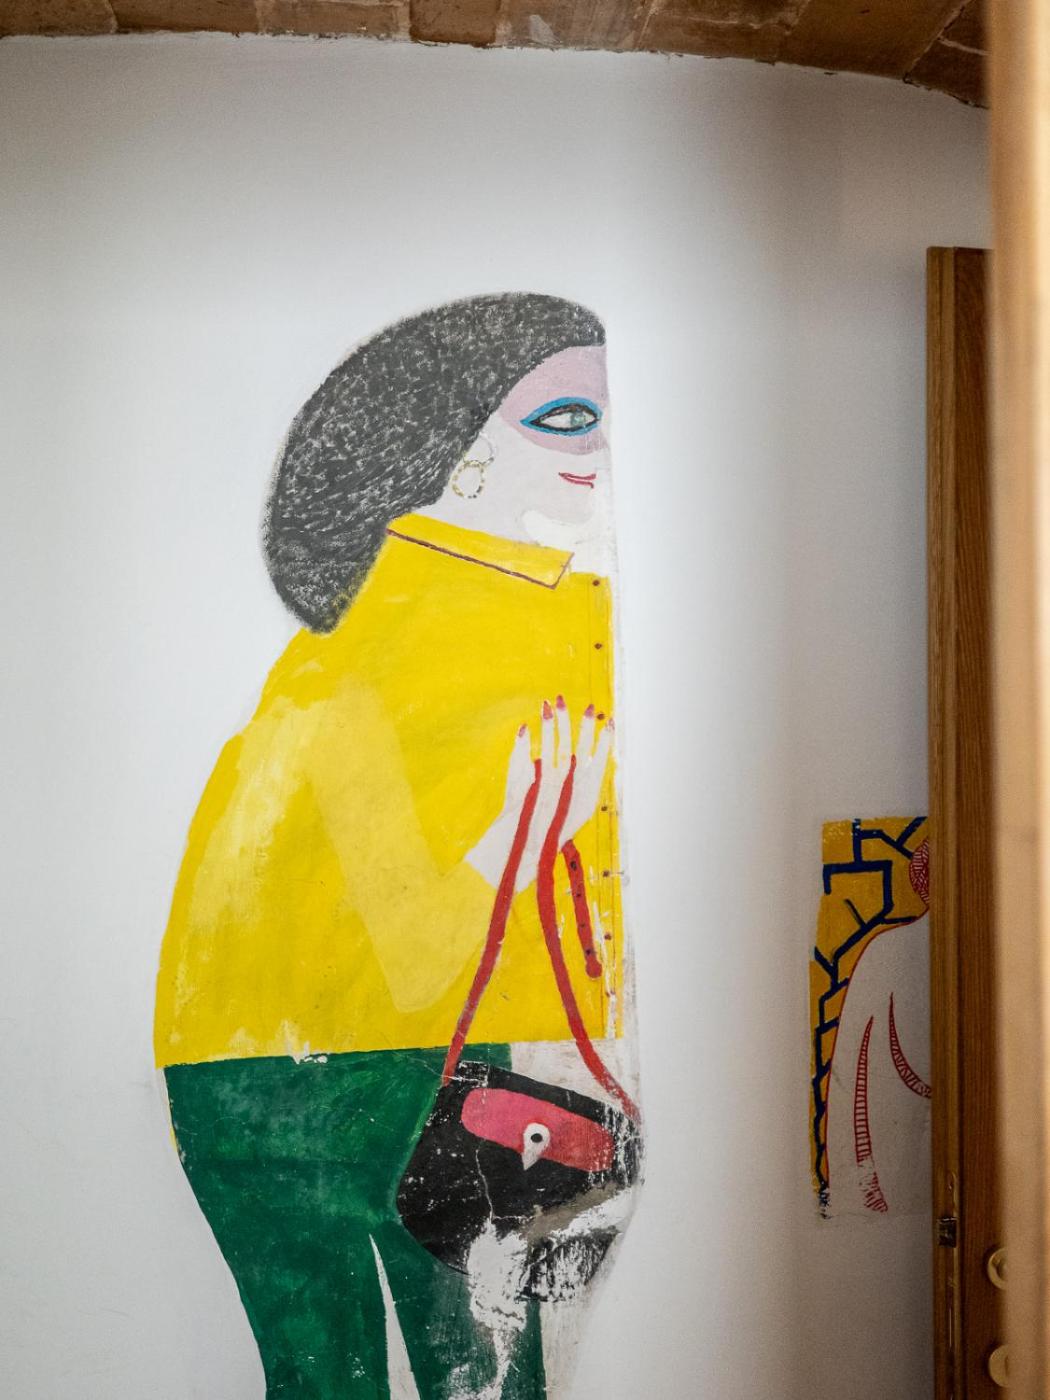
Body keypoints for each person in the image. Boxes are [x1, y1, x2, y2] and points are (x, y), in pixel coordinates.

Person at [154, 294, 639, 1399]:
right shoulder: (375, 659)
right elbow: (416, 955)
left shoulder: (518, 614)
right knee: (456, 1380)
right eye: (567, 417)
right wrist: (522, 839)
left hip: (279, 1059)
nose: (607, 448)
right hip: (326, 1066)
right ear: (453, 452)